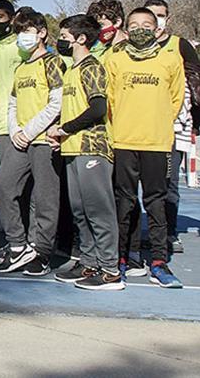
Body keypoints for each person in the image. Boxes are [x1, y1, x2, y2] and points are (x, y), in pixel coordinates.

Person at [104, 7, 185, 288]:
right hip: (123, 141)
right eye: (135, 25)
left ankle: (159, 262)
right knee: (123, 203)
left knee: (156, 203)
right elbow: (109, 100)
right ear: (126, 30)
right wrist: (118, 129)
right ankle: (121, 259)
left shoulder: (170, 59)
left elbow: (175, 99)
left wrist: (157, 124)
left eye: (147, 24)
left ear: (157, 28)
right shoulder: (115, 59)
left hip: (156, 143)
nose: (141, 29)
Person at [46, 15, 123, 290]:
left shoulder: (92, 66)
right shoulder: (71, 70)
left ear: (80, 39)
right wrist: (61, 134)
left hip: (93, 147)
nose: (60, 41)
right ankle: (89, 262)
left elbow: (97, 108)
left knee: (98, 210)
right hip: (73, 148)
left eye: (64, 36)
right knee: (80, 210)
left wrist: (65, 128)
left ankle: (110, 269)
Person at [0, 8, 65, 276]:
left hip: (44, 139)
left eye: (27, 31)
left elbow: (56, 103)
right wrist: (15, 130)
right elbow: (13, 103)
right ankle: (17, 245)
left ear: (42, 33)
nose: (22, 36)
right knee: (2, 183)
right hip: (21, 139)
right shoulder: (22, 67)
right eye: (19, 32)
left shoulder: (53, 62)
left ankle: (41, 250)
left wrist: (31, 130)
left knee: (44, 197)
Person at [145, 0, 200, 258]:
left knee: (168, 183)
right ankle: (143, 233)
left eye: (160, 15)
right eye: (151, 15)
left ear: (167, 19)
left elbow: (197, 83)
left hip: (172, 128)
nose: (156, 20)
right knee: (141, 185)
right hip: (140, 126)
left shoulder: (179, 45)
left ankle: (169, 232)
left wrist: (196, 121)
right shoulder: (132, 47)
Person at [0, 0, 25, 188]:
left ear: (12, 18)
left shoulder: (22, 47)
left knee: (21, 185)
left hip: (24, 124)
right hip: (1, 127)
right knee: (8, 187)